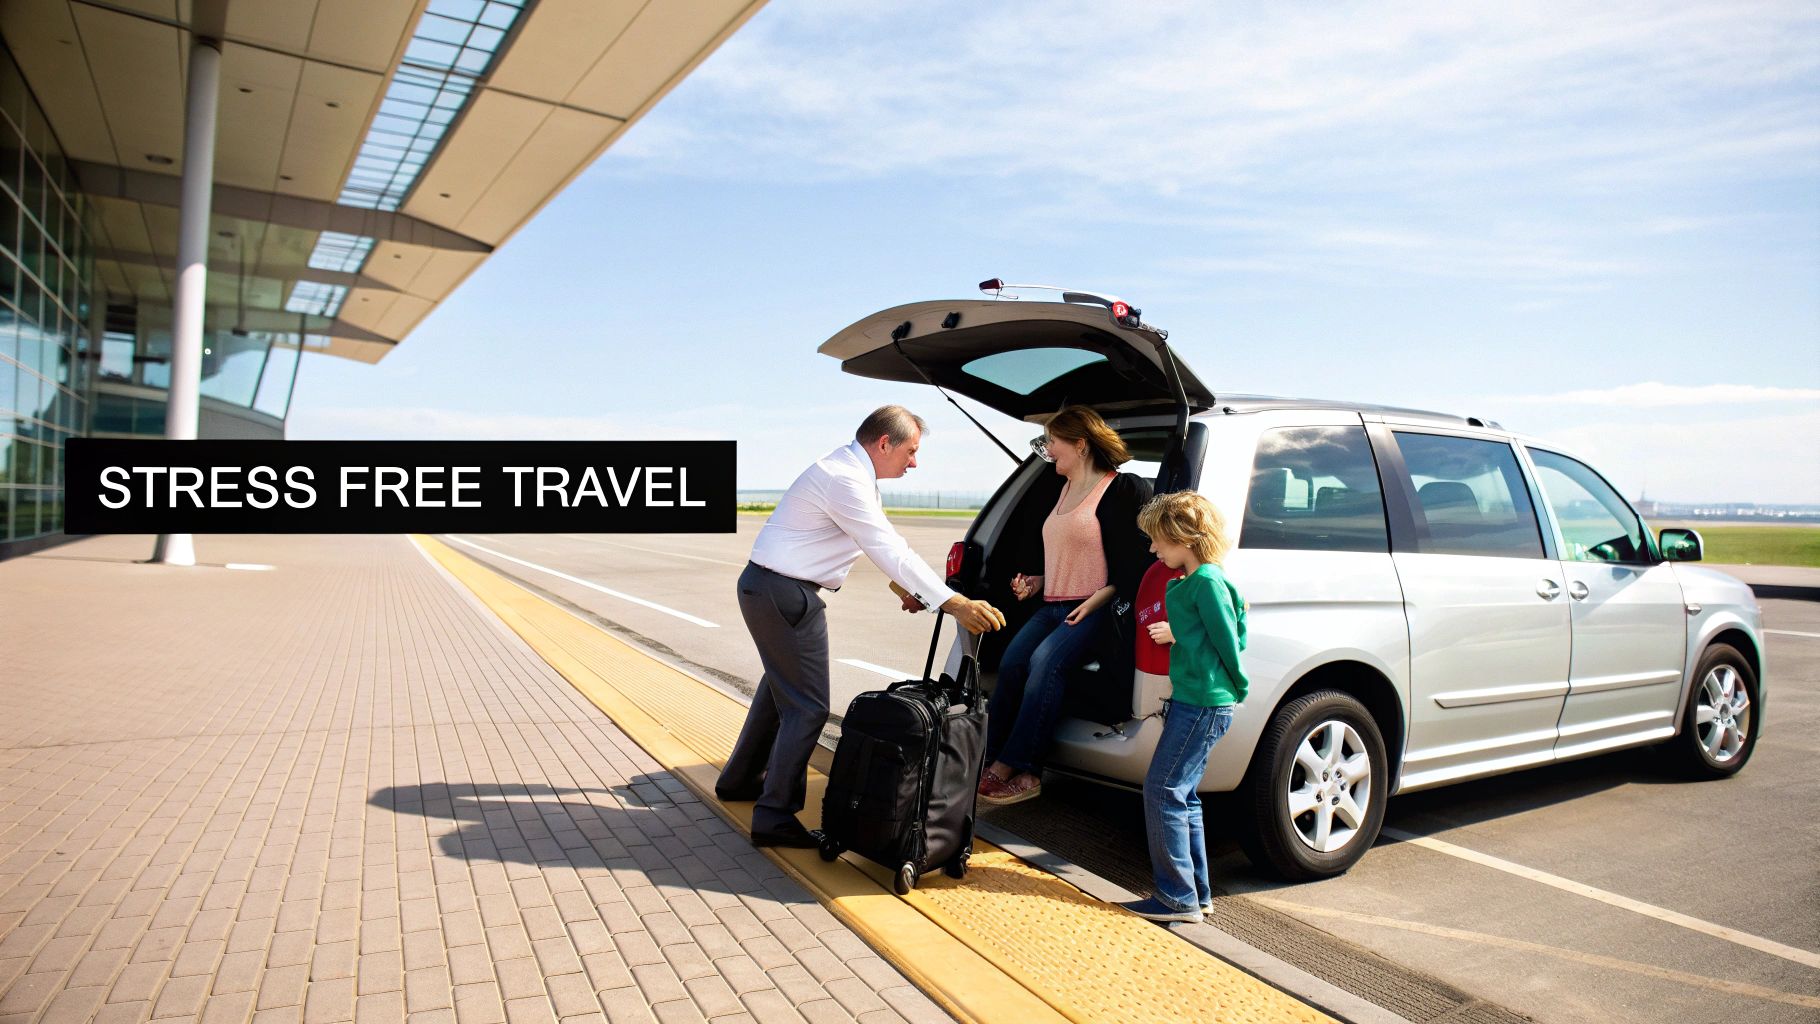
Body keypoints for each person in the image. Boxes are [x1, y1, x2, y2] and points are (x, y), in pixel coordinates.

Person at [718, 405, 1006, 848]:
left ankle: (740, 780)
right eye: (910, 451)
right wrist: (955, 603)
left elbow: (863, 540)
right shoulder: (846, 479)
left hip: (768, 588)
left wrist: (911, 591)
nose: (915, 462)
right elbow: (888, 545)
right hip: (785, 594)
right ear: (884, 443)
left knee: (780, 693)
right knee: (808, 707)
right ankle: (774, 816)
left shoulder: (848, 472)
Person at [977, 405, 1154, 806]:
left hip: (1094, 608)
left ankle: (1024, 769)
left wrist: (1096, 600)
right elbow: (1066, 556)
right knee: (1011, 664)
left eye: (1052, 441)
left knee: (1044, 665)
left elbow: (1136, 563)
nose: (1047, 448)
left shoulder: (1121, 489)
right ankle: (992, 759)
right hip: (1053, 603)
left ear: (1081, 444)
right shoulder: (1059, 490)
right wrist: (1037, 581)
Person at [1119, 490, 1248, 924]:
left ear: (1186, 539)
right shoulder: (1200, 580)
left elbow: (1231, 640)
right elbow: (1225, 628)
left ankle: (1177, 899)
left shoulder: (1207, 581)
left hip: (1202, 703)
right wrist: (1180, 633)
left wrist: (1236, 684)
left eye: (1160, 541)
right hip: (1196, 700)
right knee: (1184, 796)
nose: (1154, 549)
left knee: (1162, 791)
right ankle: (1197, 894)